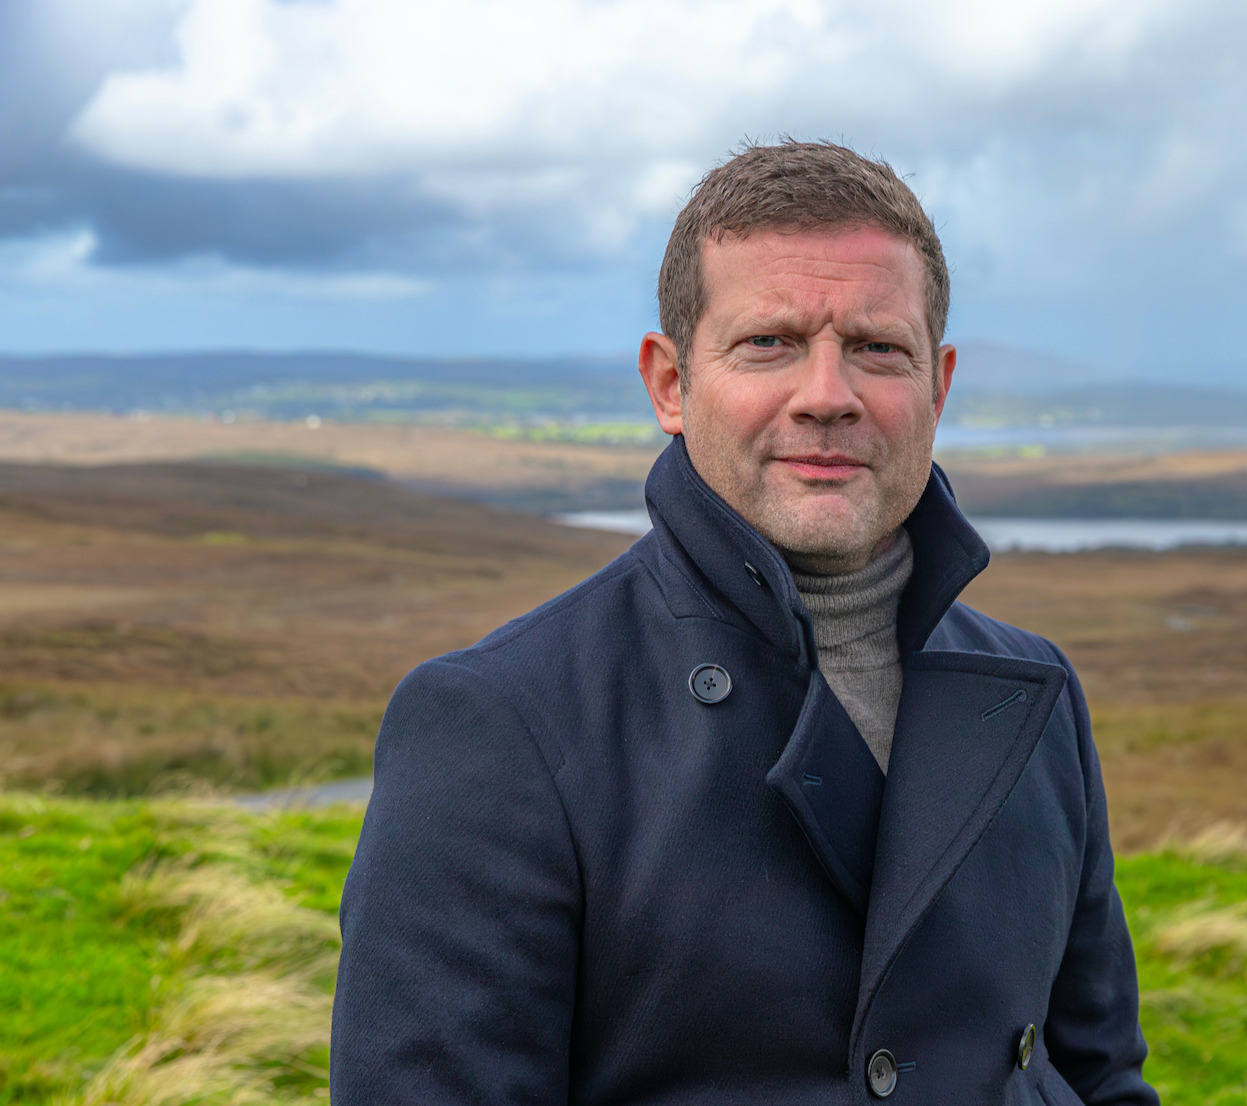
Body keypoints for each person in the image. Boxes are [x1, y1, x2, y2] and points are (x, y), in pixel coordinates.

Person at [330, 141, 1157, 1106]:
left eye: (878, 349)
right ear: (671, 383)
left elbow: (1099, 1073)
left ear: (938, 384)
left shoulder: (1034, 691)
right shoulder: (500, 722)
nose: (827, 396)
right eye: (769, 342)